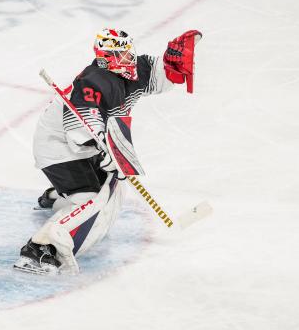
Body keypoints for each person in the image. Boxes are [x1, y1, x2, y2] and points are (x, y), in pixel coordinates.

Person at [14, 28, 202, 275]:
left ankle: (59, 197)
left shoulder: (130, 71)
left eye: (129, 51)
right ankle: (40, 248)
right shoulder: (94, 82)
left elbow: (160, 75)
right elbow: (80, 131)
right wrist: (106, 150)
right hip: (58, 147)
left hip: (80, 146)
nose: (129, 59)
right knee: (93, 199)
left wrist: (172, 64)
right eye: (121, 54)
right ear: (106, 58)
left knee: (112, 190)